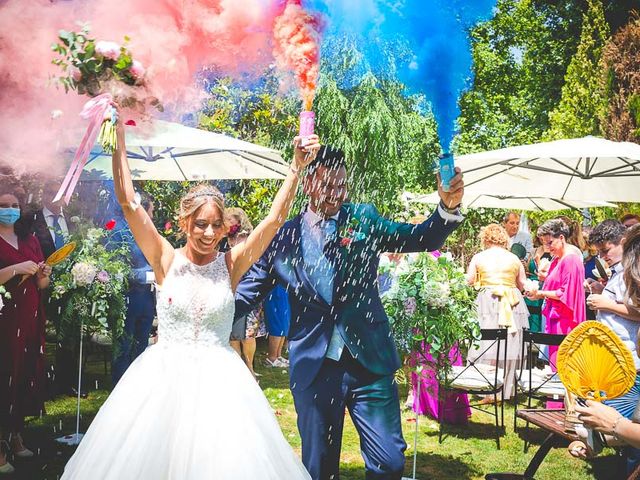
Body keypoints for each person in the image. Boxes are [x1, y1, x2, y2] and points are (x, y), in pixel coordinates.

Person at [60, 107, 320, 479]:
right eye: (201, 225)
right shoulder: (164, 257)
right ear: (185, 224)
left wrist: (296, 167)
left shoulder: (232, 263)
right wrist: (117, 139)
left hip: (222, 389)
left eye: (217, 225)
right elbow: (130, 204)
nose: (210, 233)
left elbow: (274, 220)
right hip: (161, 384)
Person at [235, 146, 465, 480]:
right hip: (315, 369)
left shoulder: (363, 219)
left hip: (370, 362)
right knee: (319, 467)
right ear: (308, 183)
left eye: (342, 186)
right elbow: (249, 290)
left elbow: (420, 237)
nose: (336, 194)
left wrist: (447, 206)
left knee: (389, 462)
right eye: (328, 186)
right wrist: (207, 306)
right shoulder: (283, 236)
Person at [0, 186, 51, 474]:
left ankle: (15, 433)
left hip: (31, 317)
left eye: (14, 204)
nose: (9, 209)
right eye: (3, 204)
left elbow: (41, 285)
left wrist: (44, 274)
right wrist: (16, 269)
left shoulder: (29, 239)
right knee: (5, 372)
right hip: (4, 318)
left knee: (25, 372)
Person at [526, 219, 586, 408]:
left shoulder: (571, 259)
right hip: (554, 318)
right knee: (555, 365)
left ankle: (562, 412)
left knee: (563, 365)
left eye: (550, 242)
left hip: (565, 321)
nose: (547, 247)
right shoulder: (558, 259)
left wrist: (541, 293)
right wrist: (538, 293)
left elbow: (566, 293)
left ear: (562, 238)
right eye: (544, 243)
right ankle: (555, 409)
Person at [465, 223, 529, 401]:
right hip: (512, 301)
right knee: (510, 342)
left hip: (489, 300)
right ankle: (505, 388)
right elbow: (522, 284)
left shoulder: (479, 257)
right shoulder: (514, 258)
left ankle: (486, 385)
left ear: (485, 239)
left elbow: (469, 280)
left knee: (487, 341)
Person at [30, 179, 81, 397]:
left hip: (68, 287)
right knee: (38, 333)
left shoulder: (69, 220)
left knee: (68, 334)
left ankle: (67, 381)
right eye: (56, 193)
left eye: (64, 195)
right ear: (45, 196)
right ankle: (37, 384)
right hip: (40, 286)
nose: (61, 199)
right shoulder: (32, 221)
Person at [110, 193, 157, 385]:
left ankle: (139, 389)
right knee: (123, 348)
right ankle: (120, 391)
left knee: (142, 347)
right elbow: (115, 269)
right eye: (151, 211)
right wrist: (147, 276)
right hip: (127, 300)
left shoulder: (149, 231)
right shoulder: (117, 232)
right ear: (141, 210)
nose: (152, 217)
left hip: (147, 300)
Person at [226, 207, 265, 377]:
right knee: (234, 333)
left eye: (231, 221)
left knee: (249, 333)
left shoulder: (248, 238)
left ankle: (249, 367)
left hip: (249, 287)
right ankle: (238, 368)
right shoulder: (225, 238)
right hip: (231, 288)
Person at [263, 284, 291, 368]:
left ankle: (278, 356)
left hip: (284, 288)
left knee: (283, 324)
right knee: (277, 324)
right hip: (275, 290)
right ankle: (271, 358)